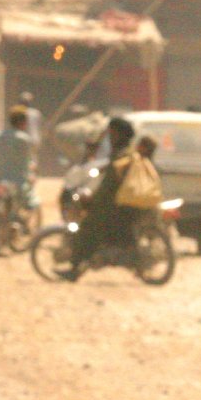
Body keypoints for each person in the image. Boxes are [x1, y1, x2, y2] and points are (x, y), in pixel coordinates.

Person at [63, 116, 151, 279]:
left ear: (117, 134)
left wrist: (91, 198)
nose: (110, 137)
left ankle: (75, 268)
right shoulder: (127, 153)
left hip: (112, 205)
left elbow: (108, 186)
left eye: (112, 133)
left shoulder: (119, 155)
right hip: (122, 204)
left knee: (86, 231)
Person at [0, 105, 38, 211]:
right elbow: (28, 160)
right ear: (23, 122)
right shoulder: (23, 139)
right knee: (30, 200)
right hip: (17, 181)